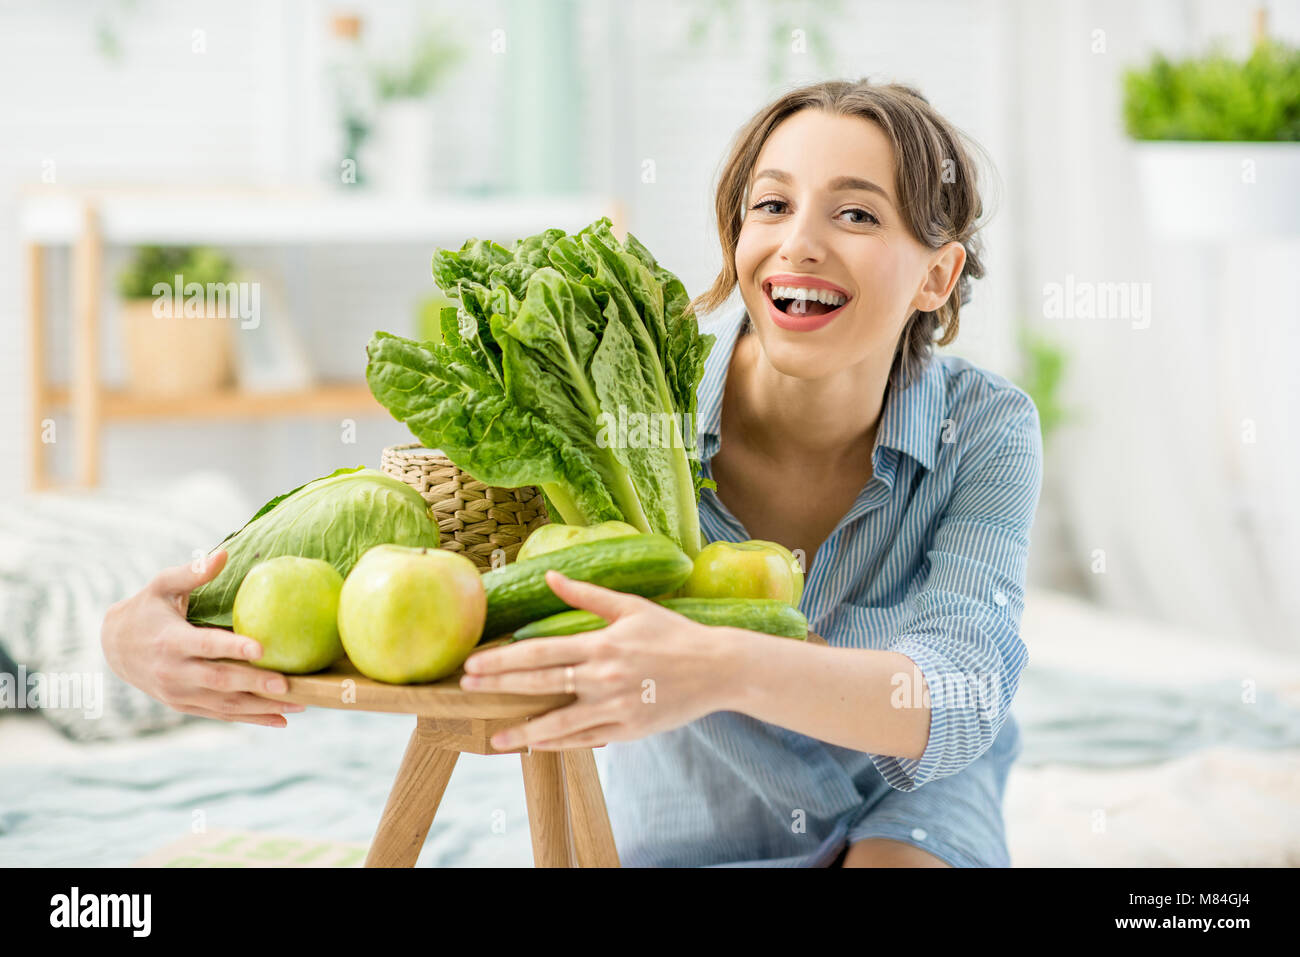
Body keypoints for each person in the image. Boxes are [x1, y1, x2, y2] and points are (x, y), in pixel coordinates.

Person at [103, 77, 1042, 868]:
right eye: (771, 203)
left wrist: (721, 665)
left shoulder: (985, 429)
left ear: (936, 275)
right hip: (687, 825)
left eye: (856, 212)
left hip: (906, 793)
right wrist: (144, 626)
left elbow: (961, 691)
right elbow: (370, 538)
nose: (798, 240)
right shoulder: (622, 409)